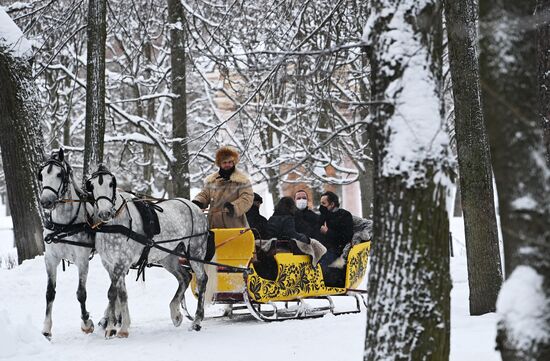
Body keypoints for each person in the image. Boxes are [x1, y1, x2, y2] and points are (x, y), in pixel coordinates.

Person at [192, 146, 253, 228]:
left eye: (230, 162)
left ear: (234, 163)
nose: (227, 165)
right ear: (219, 164)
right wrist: (198, 202)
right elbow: (204, 194)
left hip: (234, 226)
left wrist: (233, 207)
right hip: (213, 226)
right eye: (224, 162)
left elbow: (247, 198)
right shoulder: (212, 180)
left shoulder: (242, 181)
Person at [318, 191, 353, 286]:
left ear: (332, 204)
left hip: (337, 250)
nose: (321, 206)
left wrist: (327, 232)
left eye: (323, 203)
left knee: (320, 268)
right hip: (322, 248)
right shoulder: (323, 216)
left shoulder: (344, 216)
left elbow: (345, 237)